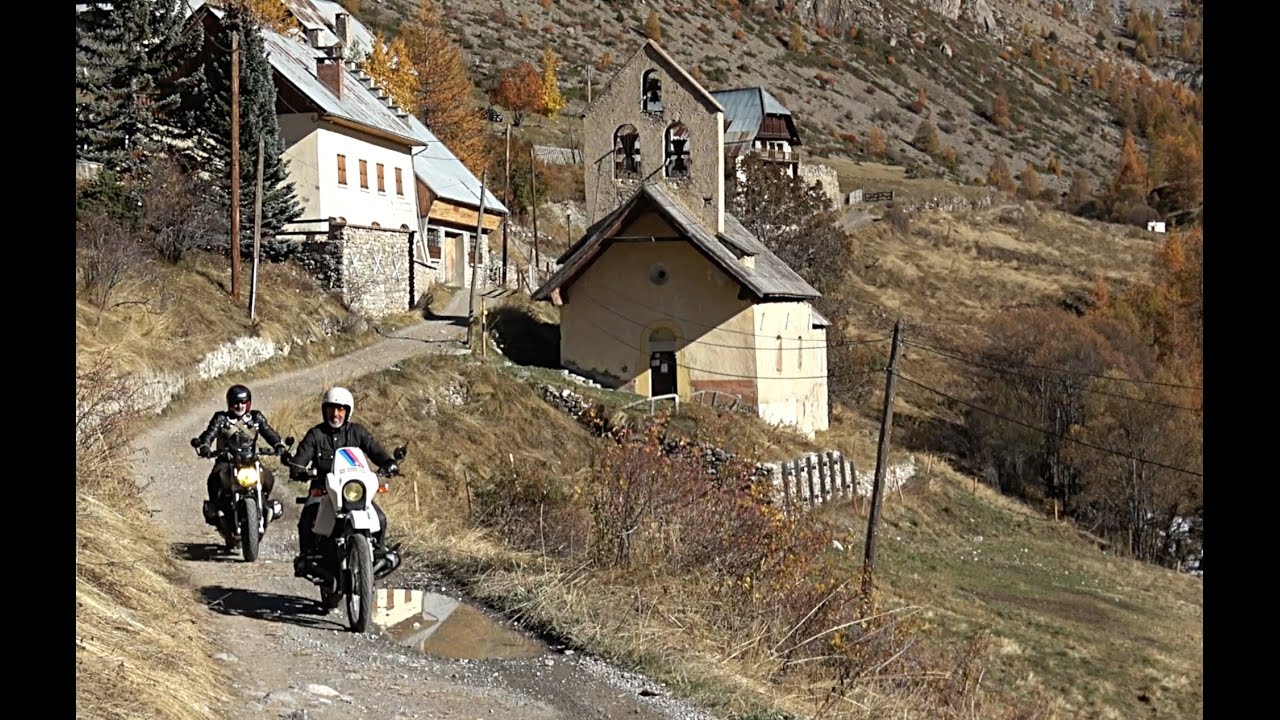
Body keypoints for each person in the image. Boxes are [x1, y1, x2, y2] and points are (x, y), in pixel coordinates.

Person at [288, 386, 398, 564]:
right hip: (323, 491)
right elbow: (301, 457)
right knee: (307, 520)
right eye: (331, 409)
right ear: (325, 410)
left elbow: (374, 449)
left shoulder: (357, 432)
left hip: (353, 492)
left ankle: (377, 555)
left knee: (381, 518)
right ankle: (307, 558)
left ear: (348, 412)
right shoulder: (316, 435)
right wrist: (298, 468)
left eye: (340, 409)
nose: (335, 414)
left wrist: (388, 463)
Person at [195, 384, 287, 525]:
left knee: (268, 477)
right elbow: (210, 433)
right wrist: (205, 446)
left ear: (249, 403)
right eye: (236, 403)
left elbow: (269, 432)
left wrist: (278, 444)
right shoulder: (221, 419)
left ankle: (264, 502)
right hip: (227, 460)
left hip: (250, 460)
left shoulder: (256, 418)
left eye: (244, 402)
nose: (240, 406)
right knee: (214, 479)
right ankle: (215, 508)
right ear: (230, 404)